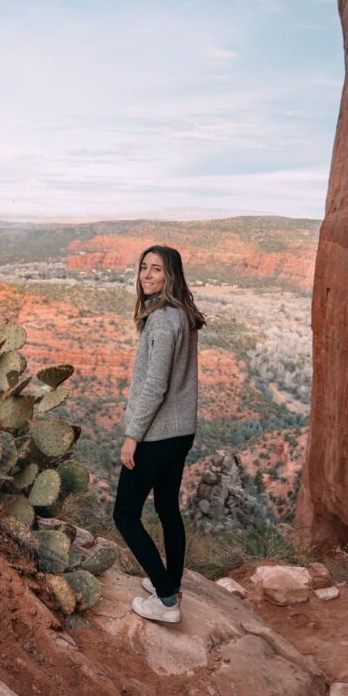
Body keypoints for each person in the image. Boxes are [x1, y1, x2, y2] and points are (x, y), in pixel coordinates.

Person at [113, 244, 205, 624]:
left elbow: (155, 386)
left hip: (157, 435)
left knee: (125, 514)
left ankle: (166, 601)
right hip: (181, 432)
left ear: (171, 275)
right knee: (167, 508)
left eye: (156, 269)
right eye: (143, 267)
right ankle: (172, 585)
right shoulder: (182, 314)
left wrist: (133, 435)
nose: (147, 275)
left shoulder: (163, 320)